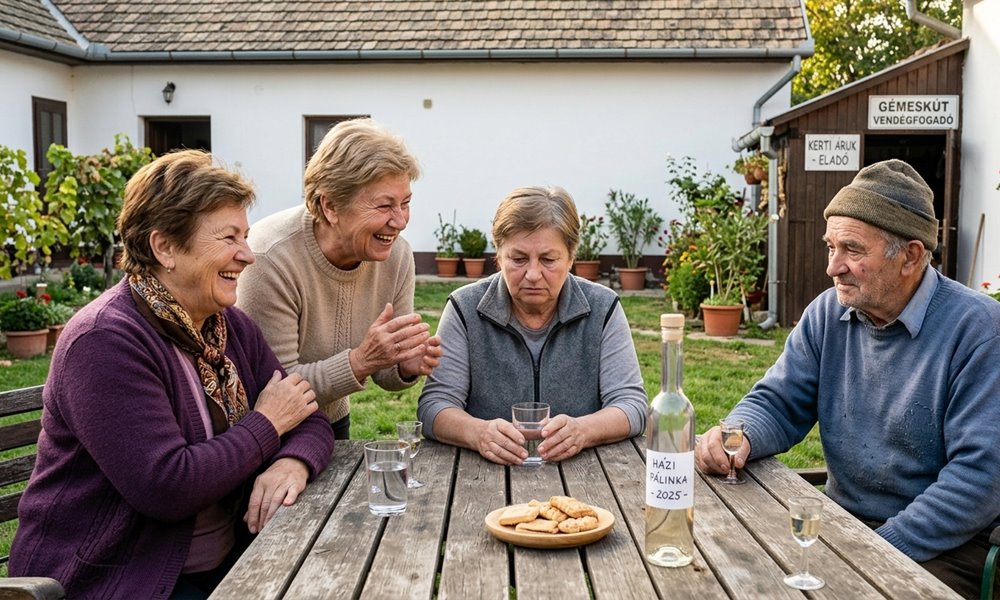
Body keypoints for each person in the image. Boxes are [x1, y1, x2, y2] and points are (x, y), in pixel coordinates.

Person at [8, 150, 336, 600]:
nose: (248, 255)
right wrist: (267, 425)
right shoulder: (105, 341)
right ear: (164, 247)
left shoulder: (227, 326)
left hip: (226, 563)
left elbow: (309, 416)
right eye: (228, 237)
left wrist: (291, 462)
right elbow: (166, 486)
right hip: (117, 578)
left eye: (245, 235)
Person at [695, 159, 1000, 599]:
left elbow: (978, 481)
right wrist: (736, 435)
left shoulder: (979, 330)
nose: (833, 267)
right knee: (730, 570)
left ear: (911, 256)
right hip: (842, 526)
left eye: (852, 250)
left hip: (947, 548)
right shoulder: (828, 313)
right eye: (830, 247)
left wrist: (874, 551)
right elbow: (779, 402)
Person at [237, 119, 442, 440]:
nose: (400, 221)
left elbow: (384, 371)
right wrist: (360, 361)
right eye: (385, 205)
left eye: (406, 203)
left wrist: (404, 365)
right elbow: (274, 386)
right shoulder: (270, 258)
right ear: (330, 205)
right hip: (264, 432)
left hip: (330, 420)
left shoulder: (397, 256)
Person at [417, 186, 647, 465]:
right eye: (518, 259)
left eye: (548, 260)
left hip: (587, 476)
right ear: (499, 256)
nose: (534, 274)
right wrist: (478, 433)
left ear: (571, 258)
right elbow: (434, 406)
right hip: (481, 475)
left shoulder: (603, 307)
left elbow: (632, 405)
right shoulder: (465, 308)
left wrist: (583, 431)